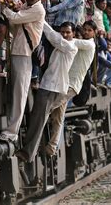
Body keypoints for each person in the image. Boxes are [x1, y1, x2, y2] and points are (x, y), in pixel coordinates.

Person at [15, 21, 78, 162]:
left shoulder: (69, 46)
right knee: (41, 120)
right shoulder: (62, 46)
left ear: (73, 34)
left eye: (68, 32)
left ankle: (27, 154)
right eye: (63, 32)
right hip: (51, 86)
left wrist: (40, 18)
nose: (65, 34)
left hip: (52, 88)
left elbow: (52, 36)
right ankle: (32, 151)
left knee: (38, 120)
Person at [0, 0, 46, 142]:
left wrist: (3, 5)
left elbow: (15, 18)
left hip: (25, 54)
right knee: (14, 91)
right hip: (17, 52)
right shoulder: (27, 6)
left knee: (19, 93)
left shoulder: (38, 9)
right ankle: (10, 129)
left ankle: (12, 132)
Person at [45, 20, 97, 156]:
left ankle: (38, 137)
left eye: (89, 30)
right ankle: (52, 147)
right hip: (65, 83)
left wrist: (59, 33)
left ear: (94, 33)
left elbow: (72, 41)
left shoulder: (89, 44)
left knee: (47, 108)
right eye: (84, 29)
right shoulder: (82, 43)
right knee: (58, 116)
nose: (86, 32)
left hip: (71, 85)